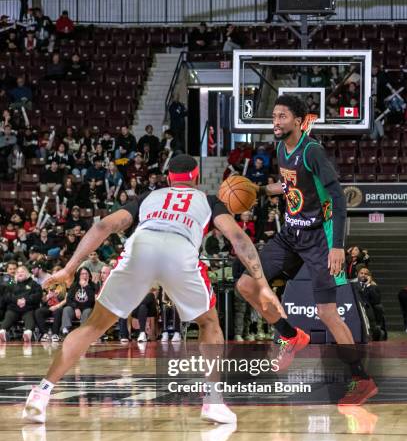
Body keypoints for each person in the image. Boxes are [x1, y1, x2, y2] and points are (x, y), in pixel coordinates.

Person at [23, 154, 280, 426]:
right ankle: (213, 401)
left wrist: (69, 268)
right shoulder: (208, 201)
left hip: (141, 246)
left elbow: (103, 226)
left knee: (93, 326)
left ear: (169, 178)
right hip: (180, 252)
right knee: (209, 323)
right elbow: (238, 238)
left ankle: (41, 393)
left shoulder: (149, 196)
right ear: (196, 178)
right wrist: (262, 284)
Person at [237, 95, 376, 400]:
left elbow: (338, 199)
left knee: (327, 313)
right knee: (246, 284)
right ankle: (291, 335)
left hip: (318, 240)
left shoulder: (312, 152)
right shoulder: (279, 148)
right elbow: (289, 186)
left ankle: (360, 377)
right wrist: (259, 189)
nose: (275, 122)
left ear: (298, 122)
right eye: (274, 116)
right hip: (290, 234)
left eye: (282, 117)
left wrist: (337, 247)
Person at [0, 265, 42, 343]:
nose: (20, 273)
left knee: (29, 316)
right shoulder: (11, 283)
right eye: (18, 272)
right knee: (9, 316)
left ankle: (28, 333)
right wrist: (17, 301)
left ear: (27, 273)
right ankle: (2, 331)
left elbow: (38, 295)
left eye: (22, 271)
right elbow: (6, 296)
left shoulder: (33, 283)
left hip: (27, 308)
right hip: (13, 308)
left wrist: (25, 300)